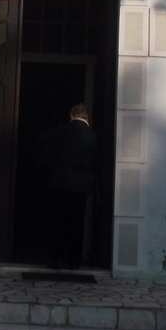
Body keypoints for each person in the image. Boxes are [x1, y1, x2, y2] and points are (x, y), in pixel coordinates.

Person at [39, 103, 97, 271]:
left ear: (71, 115)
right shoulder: (92, 135)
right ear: (87, 117)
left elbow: (41, 141)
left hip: (60, 183)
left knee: (58, 221)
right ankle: (74, 261)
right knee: (77, 222)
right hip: (80, 185)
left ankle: (56, 259)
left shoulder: (60, 131)